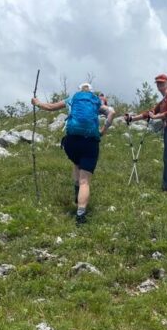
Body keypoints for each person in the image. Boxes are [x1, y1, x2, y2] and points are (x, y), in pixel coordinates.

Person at [32, 83, 115, 224]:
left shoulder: (72, 99)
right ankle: (80, 215)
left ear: (79, 90)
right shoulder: (96, 101)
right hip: (90, 142)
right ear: (91, 92)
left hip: (71, 142)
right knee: (85, 181)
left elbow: (50, 107)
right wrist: (103, 130)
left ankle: (77, 193)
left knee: (77, 163)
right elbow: (112, 113)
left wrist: (37, 102)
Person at [126, 73, 167, 191]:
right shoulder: (163, 100)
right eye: (158, 83)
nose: (159, 85)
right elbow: (149, 113)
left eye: (161, 83)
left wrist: (157, 116)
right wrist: (132, 118)